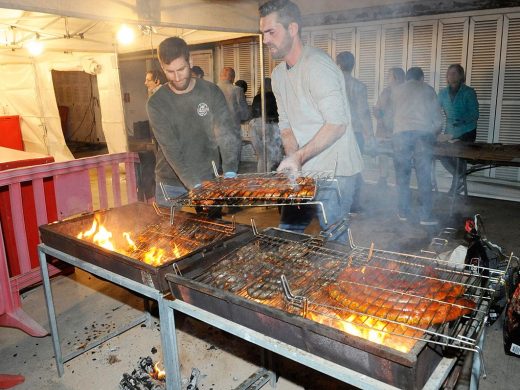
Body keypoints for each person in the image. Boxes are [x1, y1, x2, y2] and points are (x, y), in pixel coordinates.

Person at [259, 0, 363, 242]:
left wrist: (298, 158)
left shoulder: (317, 66)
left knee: (335, 239)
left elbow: (338, 123)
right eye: (262, 33)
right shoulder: (277, 75)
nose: (265, 40)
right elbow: (286, 125)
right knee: (287, 233)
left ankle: (342, 276)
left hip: (337, 174)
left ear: (292, 29)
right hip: (306, 171)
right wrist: (293, 160)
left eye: (271, 32)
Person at [146, 37, 240, 207]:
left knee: (213, 233)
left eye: (181, 69)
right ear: (162, 68)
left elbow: (226, 135)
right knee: (169, 232)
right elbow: (171, 149)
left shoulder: (210, 92)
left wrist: (230, 172)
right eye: (169, 71)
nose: (176, 77)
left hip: (208, 179)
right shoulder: (156, 103)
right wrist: (195, 186)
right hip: (170, 183)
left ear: (190, 61)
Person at [391, 67, 443, 225]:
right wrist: (433, 134)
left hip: (400, 135)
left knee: (402, 176)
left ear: (407, 78)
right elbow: (438, 119)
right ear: (421, 78)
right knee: (424, 176)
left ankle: (403, 212)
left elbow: (391, 116)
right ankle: (425, 216)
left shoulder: (397, 91)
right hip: (422, 135)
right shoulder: (428, 90)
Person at [336, 51, 374, 213]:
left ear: (337, 64)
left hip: (334, 134)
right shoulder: (359, 86)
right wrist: (370, 134)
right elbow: (363, 113)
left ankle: (337, 203)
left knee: (336, 169)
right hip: (354, 134)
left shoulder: (331, 85)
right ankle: (353, 205)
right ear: (353, 65)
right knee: (355, 168)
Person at [437, 64, 479, 194]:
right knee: (440, 152)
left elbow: (474, 114)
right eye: (449, 73)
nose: (451, 75)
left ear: (461, 75)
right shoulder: (442, 93)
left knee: (458, 152)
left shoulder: (468, 92)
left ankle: (456, 182)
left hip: (466, 132)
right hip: (449, 132)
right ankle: (459, 175)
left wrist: (461, 121)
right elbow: (435, 111)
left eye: (454, 73)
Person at [373, 67, 405, 187]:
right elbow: (377, 108)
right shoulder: (386, 91)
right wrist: (378, 114)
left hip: (399, 131)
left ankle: (400, 181)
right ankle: (383, 178)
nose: (387, 78)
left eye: (389, 76)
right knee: (383, 154)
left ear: (397, 78)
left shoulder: (405, 92)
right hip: (383, 130)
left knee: (399, 155)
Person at [250, 77, 282, 172]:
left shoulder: (256, 97)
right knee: (271, 156)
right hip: (270, 125)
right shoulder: (275, 96)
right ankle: (269, 180)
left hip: (256, 125)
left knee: (261, 156)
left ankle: (260, 179)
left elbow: (253, 113)